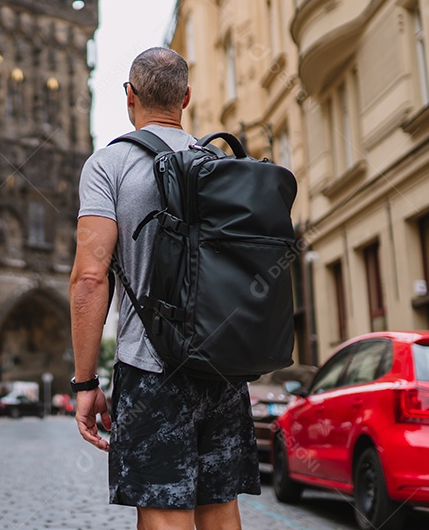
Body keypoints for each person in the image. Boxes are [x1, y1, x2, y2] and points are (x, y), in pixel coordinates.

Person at [69, 47, 259, 530]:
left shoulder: (108, 165)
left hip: (150, 365)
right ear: (187, 99)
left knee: (162, 511)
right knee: (220, 507)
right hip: (223, 364)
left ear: (129, 97)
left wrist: (87, 382)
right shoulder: (220, 164)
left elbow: (91, 278)